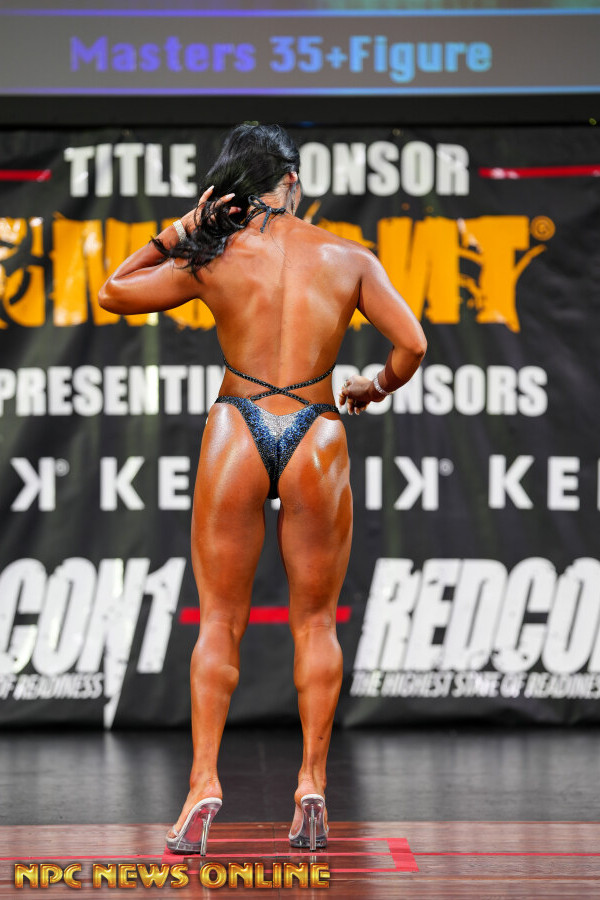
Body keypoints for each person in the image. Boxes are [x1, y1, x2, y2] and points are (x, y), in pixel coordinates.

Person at [99, 123, 426, 856]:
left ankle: (202, 787)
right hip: (316, 430)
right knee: (316, 624)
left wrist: (183, 229)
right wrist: (373, 387)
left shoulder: (213, 256)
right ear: (293, 183)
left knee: (219, 621)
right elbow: (413, 344)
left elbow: (112, 291)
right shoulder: (348, 258)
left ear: (236, 192)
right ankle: (311, 786)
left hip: (236, 428)